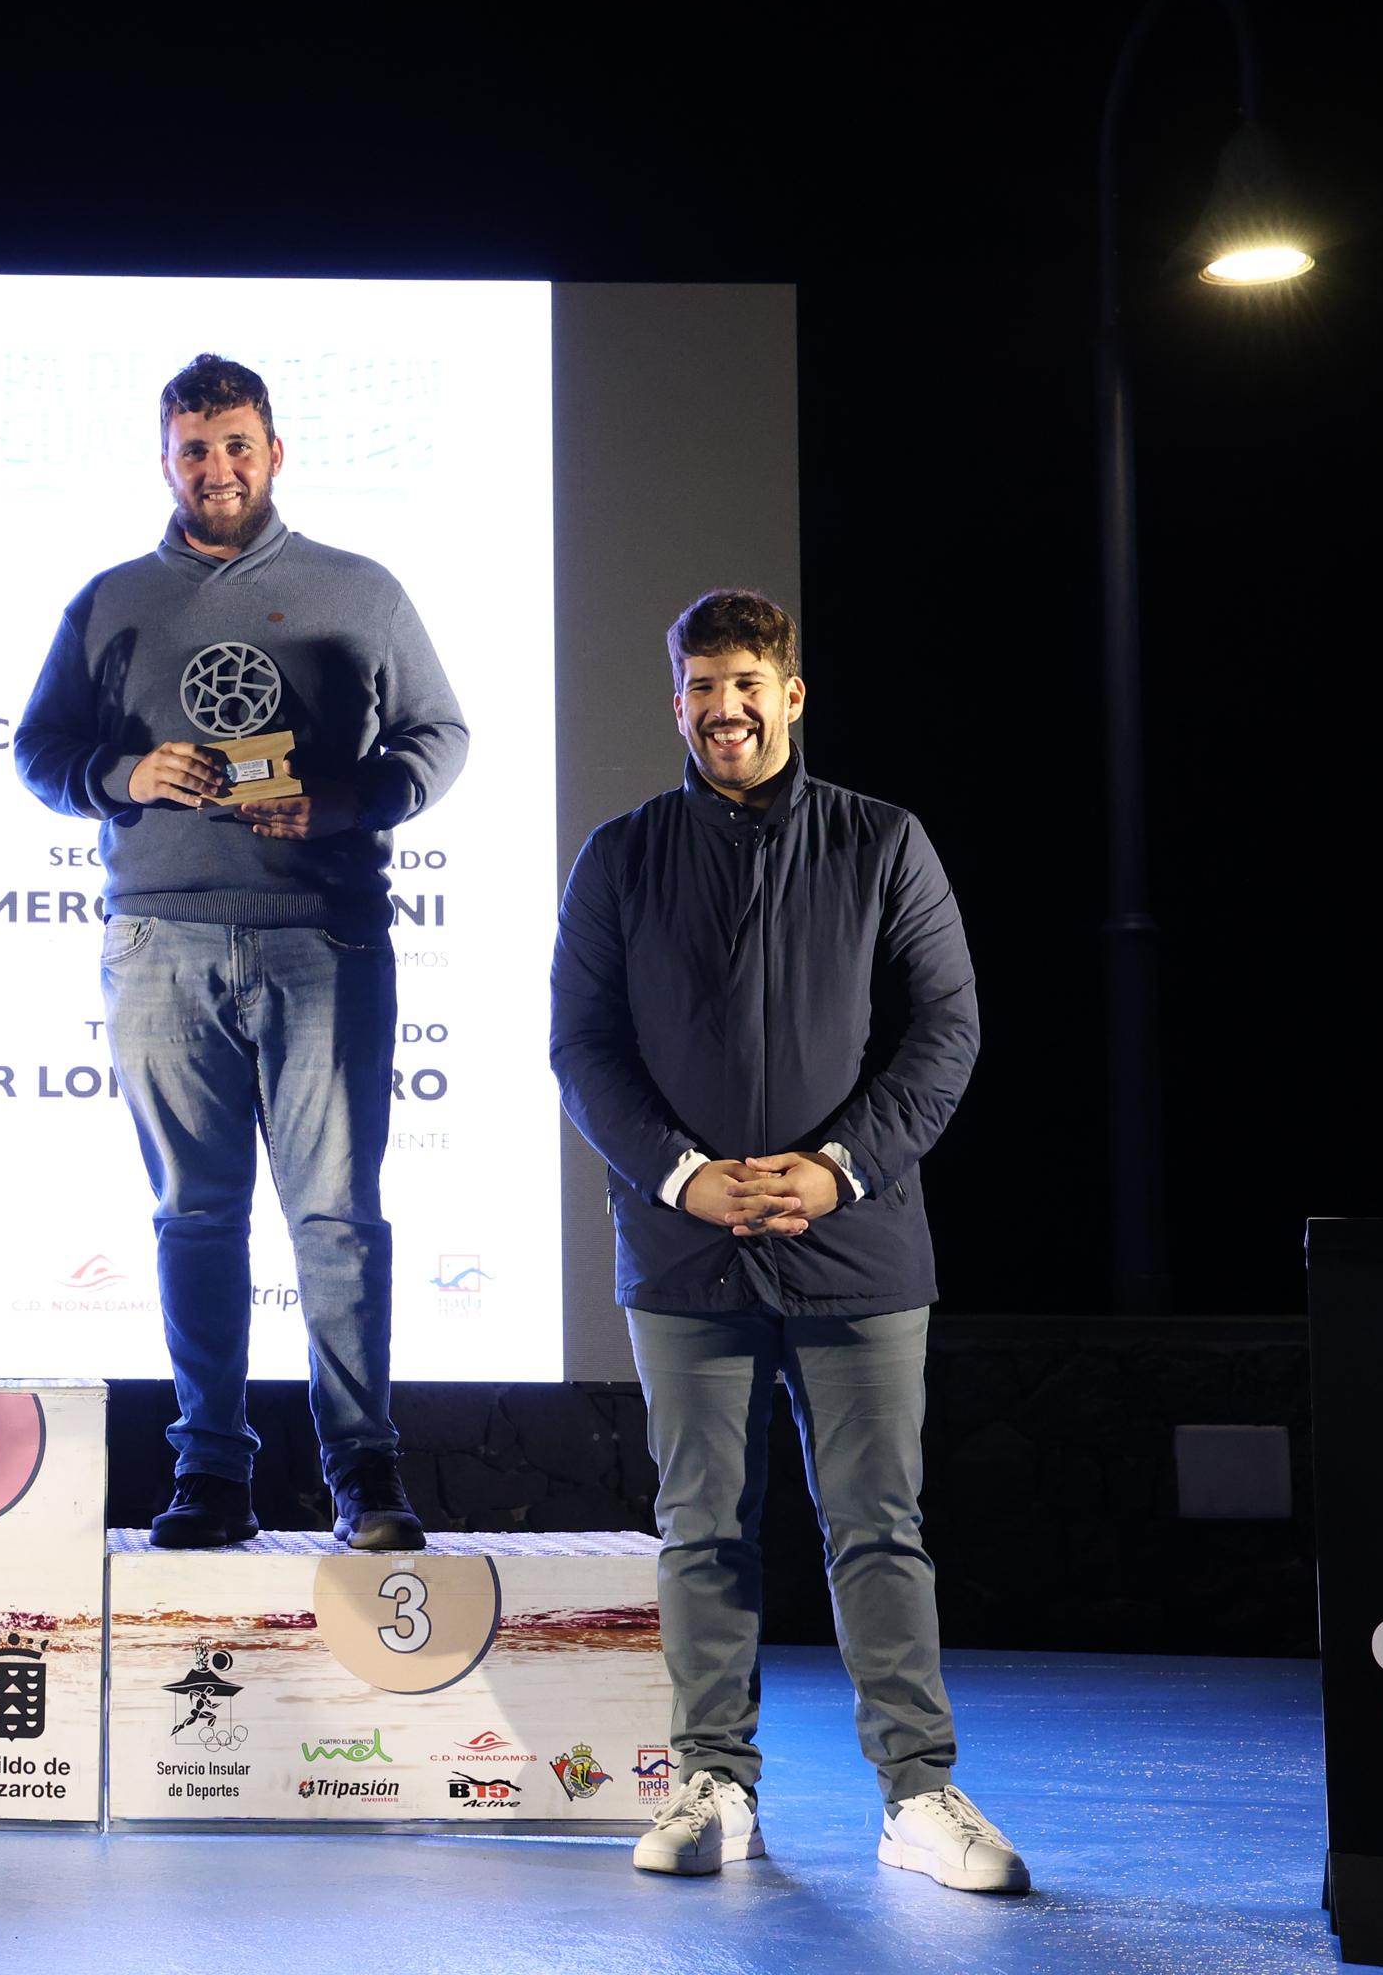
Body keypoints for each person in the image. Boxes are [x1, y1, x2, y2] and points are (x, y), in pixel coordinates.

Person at [550, 588, 1026, 1892]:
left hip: (857, 1241)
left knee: (877, 1523)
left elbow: (947, 1031)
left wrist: (839, 1167)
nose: (726, 709)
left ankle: (917, 1797)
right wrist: (684, 1176)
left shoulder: (882, 841)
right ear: (678, 703)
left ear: (793, 694)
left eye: (748, 683)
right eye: (702, 687)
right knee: (702, 1525)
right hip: (685, 1242)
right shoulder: (622, 855)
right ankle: (716, 1787)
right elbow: (580, 1047)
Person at [13, 353, 466, 1552]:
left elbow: (439, 737)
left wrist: (338, 803)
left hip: (325, 935)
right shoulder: (111, 599)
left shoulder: (357, 591)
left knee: (336, 1216)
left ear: (276, 452)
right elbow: (38, 752)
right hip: (161, 938)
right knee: (196, 1218)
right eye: (194, 449)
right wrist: (124, 772)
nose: (217, 469)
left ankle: (364, 1470)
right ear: (166, 460)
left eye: (237, 446)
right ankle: (211, 1470)